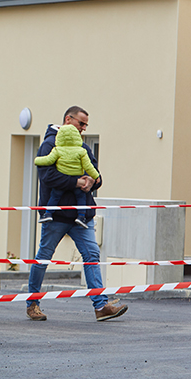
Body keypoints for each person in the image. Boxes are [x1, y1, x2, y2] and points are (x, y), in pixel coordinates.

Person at [26, 106, 128, 323]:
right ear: (67, 119)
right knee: (44, 257)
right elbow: (47, 177)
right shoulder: (49, 144)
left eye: (85, 125)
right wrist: (76, 181)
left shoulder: (82, 146)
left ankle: (101, 306)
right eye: (81, 124)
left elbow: (96, 173)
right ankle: (32, 303)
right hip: (57, 215)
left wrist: (94, 180)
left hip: (82, 217)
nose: (83, 129)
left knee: (91, 255)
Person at [34, 123, 99, 228]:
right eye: (81, 123)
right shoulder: (81, 150)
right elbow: (89, 167)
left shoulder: (57, 150)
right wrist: (95, 177)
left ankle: (48, 213)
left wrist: (37, 160)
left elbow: (48, 160)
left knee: (54, 197)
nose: (84, 128)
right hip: (60, 217)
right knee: (81, 198)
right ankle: (81, 216)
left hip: (61, 188)